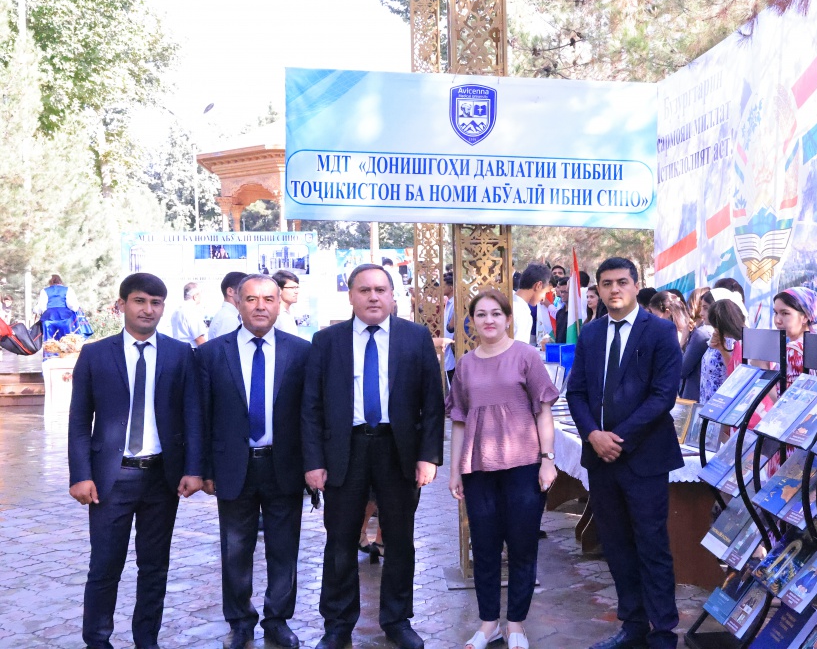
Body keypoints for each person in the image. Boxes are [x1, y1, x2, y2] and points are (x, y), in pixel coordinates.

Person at [301, 263, 444, 649]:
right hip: (344, 450)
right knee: (340, 540)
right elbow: (311, 406)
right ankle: (337, 624)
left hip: (397, 450)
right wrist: (313, 462)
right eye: (364, 290)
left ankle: (397, 619)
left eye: (381, 289)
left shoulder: (414, 338)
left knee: (399, 539)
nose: (373, 297)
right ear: (351, 296)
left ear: (393, 296)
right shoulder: (326, 341)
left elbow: (433, 403)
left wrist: (428, 456)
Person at [67, 273, 203, 649]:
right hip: (112, 479)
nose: (148, 309)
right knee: (105, 568)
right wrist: (80, 475)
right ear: (122, 304)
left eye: (156, 302)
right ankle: (97, 641)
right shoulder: (96, 354)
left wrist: (193, 469)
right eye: (140, 301)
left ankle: (147, 640)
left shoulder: (180, 354)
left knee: (155, 567)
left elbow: (192, 416)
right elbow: (79, 420)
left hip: (163, 478)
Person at [566, 257, 684, 649]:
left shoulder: (662, 332)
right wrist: (593, 435)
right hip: (601, 459)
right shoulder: (591, 334)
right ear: (597, 289)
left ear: (636, 285)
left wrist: (617, 437)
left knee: (652, 545)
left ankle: (663, 630)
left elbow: (663, 396)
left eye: (621, 282)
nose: (613, 290)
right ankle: (633, 624)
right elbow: (577, 392)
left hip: (644, 458)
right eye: (606, 284)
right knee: (614, 544)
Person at [198, 275, 312, 649]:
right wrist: (204, 470)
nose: (260, 306)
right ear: (238, 303)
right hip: (234, 467)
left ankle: (277, 619)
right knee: (235, 549)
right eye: (251, 299)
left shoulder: (301, 352)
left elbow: (312, 415)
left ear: (279, 303)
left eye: (268, 299)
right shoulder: (212, 354)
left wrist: (314, 465)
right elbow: (202, 416)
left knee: (284, 547)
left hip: (285, 466)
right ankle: (241, 620)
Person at [446, 289, 559, 649]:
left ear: (508, 318)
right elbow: (459, 420)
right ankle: (488, 623)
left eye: (496, 313)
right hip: (479, 469)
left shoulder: (526, 356)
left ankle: (516, 625)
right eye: (481, 314)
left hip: (524, 465)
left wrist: (548, 460)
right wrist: (454, 471)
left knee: (523, 546)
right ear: (472, 321)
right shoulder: (465, 364)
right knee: (485, 545)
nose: (489, 320)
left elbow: (544, 411)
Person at [700, 293, 747, 404]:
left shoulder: (735, 344)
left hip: (722, 406)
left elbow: (736, 374)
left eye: (706, 308)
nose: (702, 313)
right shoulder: (716, 340)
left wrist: (723, 349)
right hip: (708, 403)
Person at [772, 287, 817, 384]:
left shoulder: (793, 349)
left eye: (785, 313)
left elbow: (785, 397)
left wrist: (763, 369)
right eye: (776, 313)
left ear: (805, 317)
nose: (777, 320)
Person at [34, 273, 82, 341]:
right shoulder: (68, 289)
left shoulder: (44, 290)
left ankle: (50, 351)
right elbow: (72, 305)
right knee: (67, 340)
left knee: (50, 341)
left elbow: (41, 306)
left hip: (49, 317)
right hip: (65, 317)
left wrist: (35, 310)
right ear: (60, 281)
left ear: (50, 282)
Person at [513, 264, 551, 345]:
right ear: (538, 285)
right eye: (545, 292)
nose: (543, 298)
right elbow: (519, 351)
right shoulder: (521, 313)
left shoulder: (510, 304)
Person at [207, 271, 248, 340]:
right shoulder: (229, 319)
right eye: (244, 290)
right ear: (230, 291)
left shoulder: (229, 316)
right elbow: (227, 349)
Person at [171, 281, 207, 347]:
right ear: (195, 296)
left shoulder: (176, 311)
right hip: (191, 353)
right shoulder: (192, 311)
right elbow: (199, 339)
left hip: (178, 351)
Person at [272, 269, 301, 336]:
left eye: (297, 287)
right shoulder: (275, 314)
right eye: (292, 288)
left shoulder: (292, 310)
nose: (296, 292)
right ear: (279, 290)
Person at [443, 272, 456, 382]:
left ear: (451, 287)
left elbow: (451, 327)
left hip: (451, 343)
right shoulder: (448, 302)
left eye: (444, 286)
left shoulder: (455, 303)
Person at [553, 277, 570, 343]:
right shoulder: (559, 313)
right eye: (561, 292)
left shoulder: (575, 315)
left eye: (565, 292)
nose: (562, 294)